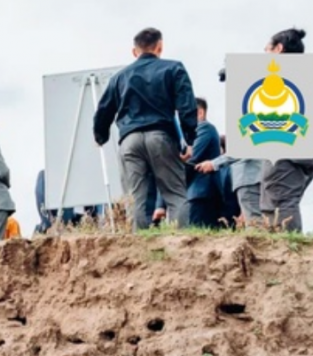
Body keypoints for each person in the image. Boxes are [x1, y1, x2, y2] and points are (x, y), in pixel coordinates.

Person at [93, 27, 197, 231]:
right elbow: (187, 106)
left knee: (135, 198)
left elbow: (103, 110)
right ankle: (180, 242)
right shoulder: (174, 68)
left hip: (129, 140)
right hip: (161, 136)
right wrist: (189, 139)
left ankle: (138, 247)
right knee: (175, 194)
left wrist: (100, 136)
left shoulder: (119, 77)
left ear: (135, 51)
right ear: (160, 47)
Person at [259, 28, 313, 231]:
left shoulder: (286, 75)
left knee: (281, 202)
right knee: (272, 203)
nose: (264, 53)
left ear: (279, 49)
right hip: (286, 149)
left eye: (267, 49)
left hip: (287, 150)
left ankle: (290, 254)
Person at [186, 97, 223, 228]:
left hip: (202, 193)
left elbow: (191, 158)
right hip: (199, 193)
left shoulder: (204, 128)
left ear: (200, 113)